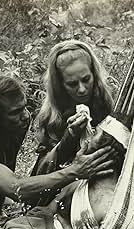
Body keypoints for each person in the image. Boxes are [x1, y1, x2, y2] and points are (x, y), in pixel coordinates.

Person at [0, 75, 114, 215]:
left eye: (24, 107)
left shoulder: (12, 124)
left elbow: (34, 172)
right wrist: (74, 171)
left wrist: (70, 135)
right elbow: (16, 188)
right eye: (15, 112)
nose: (25, 116)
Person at [30, 39, 116, 206]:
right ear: (60, 85)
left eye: (86, 79)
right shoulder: (51, 117)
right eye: (72, 84)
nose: (82, 89)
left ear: (94, 74)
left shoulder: (109, 100)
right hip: (70, 194)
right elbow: (42, 175)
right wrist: (69, 137)